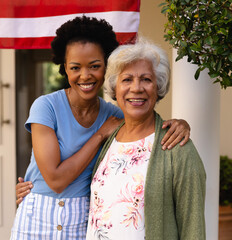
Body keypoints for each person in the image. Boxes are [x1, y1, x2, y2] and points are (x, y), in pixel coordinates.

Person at [10, 16, 191, 240]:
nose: (85, 76)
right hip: (38, 215)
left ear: (106, 66)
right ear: (64, 68)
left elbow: (144, 122)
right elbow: (55, 181)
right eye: (75, 67)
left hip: (83, 217)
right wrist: (99, 135)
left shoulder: (115, 115)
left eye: (94, 66)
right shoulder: (46, 107)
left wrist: (180, 124)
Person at [86, 38, 206, 240]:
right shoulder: (108, 141)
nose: (136, 88)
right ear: (115, 88)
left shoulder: (177, 147)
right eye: (127, 79)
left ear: (157, 87)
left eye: (146, 79)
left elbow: (193, 227)